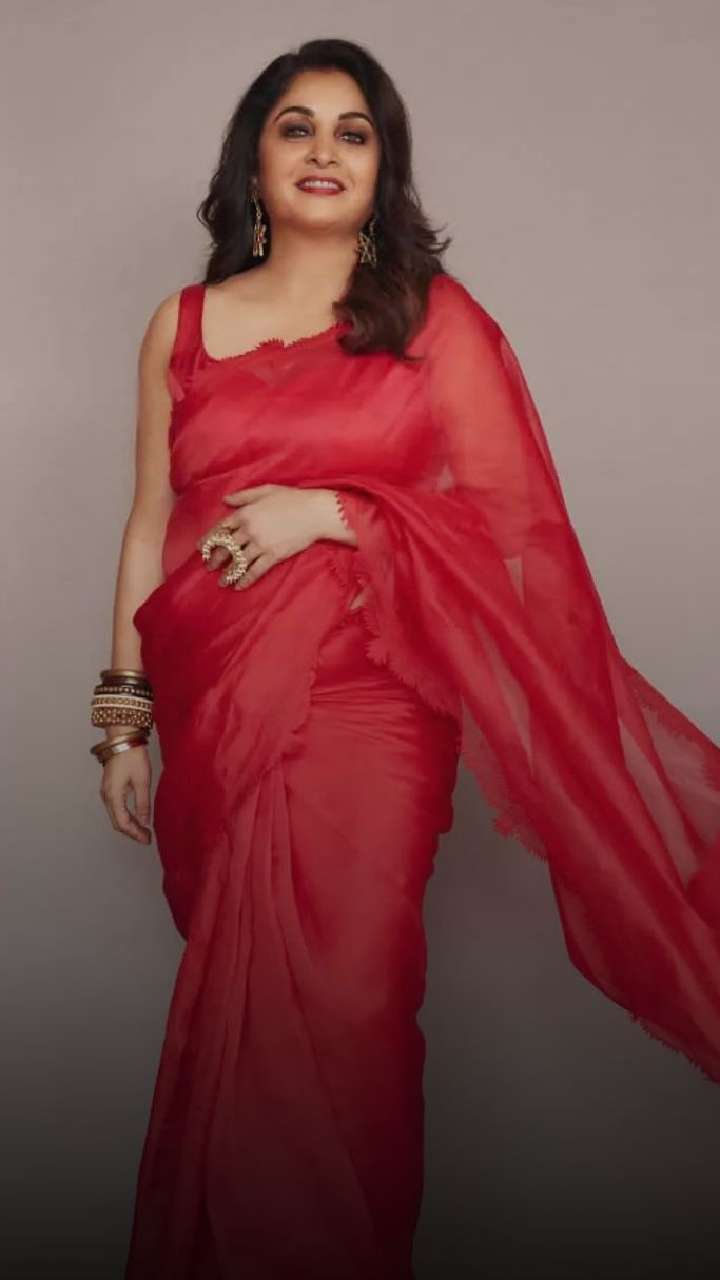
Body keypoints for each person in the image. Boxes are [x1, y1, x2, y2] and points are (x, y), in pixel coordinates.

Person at [89, 37, 720, 1280]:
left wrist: (335, 511)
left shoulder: (435, 322)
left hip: (369, 709)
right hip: (218, 708)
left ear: (385, 169)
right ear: (253, 162)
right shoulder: (184, 325)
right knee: (242, 1021)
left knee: (347, 1014)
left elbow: (518, 536)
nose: (324, 151)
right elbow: (150, 520)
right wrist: (124, 716)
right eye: (296, 126)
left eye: (354, 131)